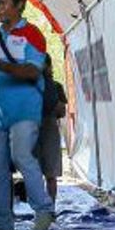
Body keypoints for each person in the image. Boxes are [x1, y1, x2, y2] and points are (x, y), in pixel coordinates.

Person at [0, 0, 55, 230]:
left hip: (26, 109)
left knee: (22, 156)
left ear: (20, 4)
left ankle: (43, 210)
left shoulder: (32, 34)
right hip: (0, 112)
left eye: (3, 2)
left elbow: (33, 71)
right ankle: (0, 222)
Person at [37, 57, 68, 204]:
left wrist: (52, 103)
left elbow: (62, 111)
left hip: (49, 128)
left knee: (51, 173)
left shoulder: (56, 86)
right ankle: (39, 207)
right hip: (32, 127)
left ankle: (50, 207)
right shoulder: (30, 85)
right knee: (33, 172)